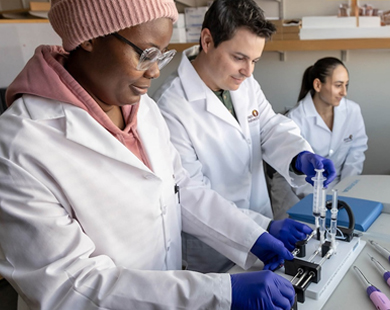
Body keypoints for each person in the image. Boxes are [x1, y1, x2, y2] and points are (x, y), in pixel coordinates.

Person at [0, 0, 320, 309]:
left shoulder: (143, 109)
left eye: (162, 56)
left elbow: (181, 191)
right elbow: (69, 287)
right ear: (90, 37)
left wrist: (253, 234)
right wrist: (220, 294)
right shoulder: (21, 144)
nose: (155, 71)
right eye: (146, 53)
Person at [153, 0, 336, 274]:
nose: (248, 71)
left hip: (262, 228)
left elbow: (269, 126)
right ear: (207, 40)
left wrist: (300, 156)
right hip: (216, 250)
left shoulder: (244, 83)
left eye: (255, 61)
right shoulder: (171, 107)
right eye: (239, 57)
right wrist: (260, 230)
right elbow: (192, 196)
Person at [270, 57, 368, 216]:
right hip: (295, 193)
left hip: (337, 189)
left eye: (346, 85)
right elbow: (297, 176)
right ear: (317, 85)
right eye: (338, 85)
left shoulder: (352, 111)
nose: (344, 92)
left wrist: (346, 192)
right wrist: (320, 202)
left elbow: (356, 153)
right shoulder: (295, 118)